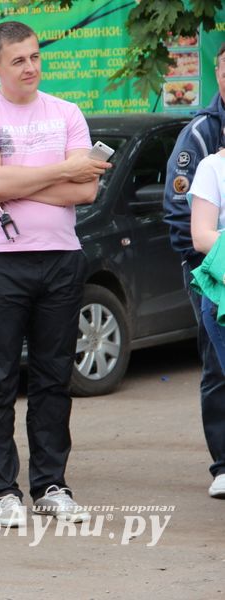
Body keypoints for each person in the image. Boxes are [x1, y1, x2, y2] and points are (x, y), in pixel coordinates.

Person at [0, 21, 111, 526]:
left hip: (62, 256)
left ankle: (51, 484)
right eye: (18, 60)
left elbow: (86, 192)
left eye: (35, 57)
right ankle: (1, 491)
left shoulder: (66, 112)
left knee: (52, 378)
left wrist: (14, 185)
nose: (30, 67)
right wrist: (63, 170)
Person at [163, 42, 225, 500]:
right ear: (218, 74)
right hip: (211, 274)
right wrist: (210, 272)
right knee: (217, 367)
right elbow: (178, 211)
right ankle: (223, 464)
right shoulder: (203, 134)